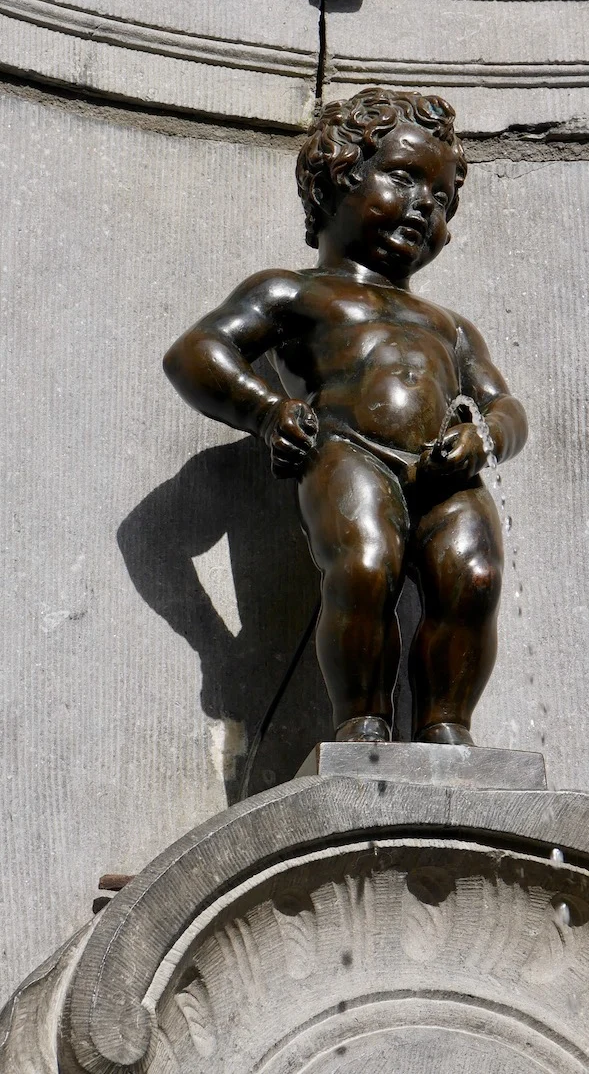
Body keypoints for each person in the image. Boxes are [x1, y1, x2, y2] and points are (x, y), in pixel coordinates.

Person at [164, 87, 528, 744]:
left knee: (474, 576)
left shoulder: (450, 326)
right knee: (364, 566)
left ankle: (448, 724)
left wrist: (487, 435)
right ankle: (364, 718)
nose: (426, 205)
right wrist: (269, 411)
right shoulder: (296, 292)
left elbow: (506, 405)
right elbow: (197, 351)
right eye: (405, 178)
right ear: (338, 176)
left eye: (442, 199)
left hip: (447, 471)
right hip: (348, 450)